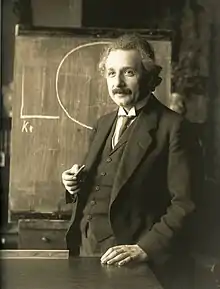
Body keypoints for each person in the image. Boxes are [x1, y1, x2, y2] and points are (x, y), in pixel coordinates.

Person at [62, 34, 195, 289]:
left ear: (148, 76)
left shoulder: (173, 127)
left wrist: (144, 249)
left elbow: (185, 204)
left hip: (131, 261)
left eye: (129, 73)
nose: (118, 83)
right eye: (111, 73)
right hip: (84, 249)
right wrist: (73, 185)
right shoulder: (103, 124)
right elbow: (100, 183)